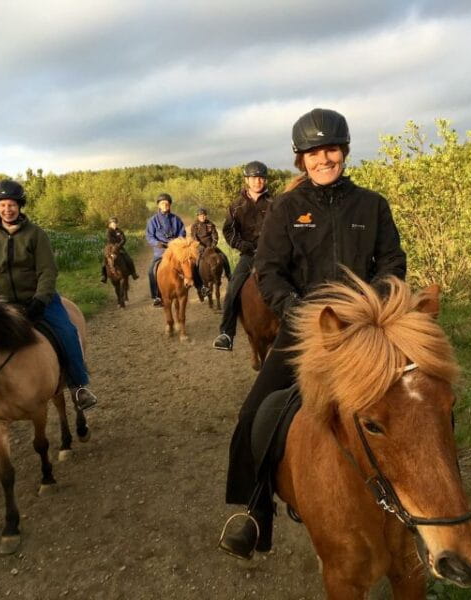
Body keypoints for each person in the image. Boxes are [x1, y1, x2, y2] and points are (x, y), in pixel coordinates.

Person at [218, 108, 407, 559]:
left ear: (344, 151)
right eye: (313, 152)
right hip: (305, 331)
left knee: (424, 399)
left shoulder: (373, 205)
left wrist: (372, 306)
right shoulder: (285, 209)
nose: (324, 158)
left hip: (367, 332)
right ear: (300, 159)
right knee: (251, 416)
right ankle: (256, 512)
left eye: (331, 149)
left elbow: (393, 264)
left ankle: (441, 501)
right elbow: (269, 271)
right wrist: (297, 311)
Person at [0, 179, 98, 411]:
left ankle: (79, 387)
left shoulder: (35, 234)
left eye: (11, 205)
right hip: (3, 305)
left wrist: (40, 300)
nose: (7, 209)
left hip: (39, 301)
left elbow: (47, 270)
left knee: (68, 332)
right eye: (2, 205)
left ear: (20, 206)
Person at [212, 161, 272, 351]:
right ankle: (226, 333)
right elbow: (229, 232)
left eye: (261, 178)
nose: (258, 181)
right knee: (233, 289)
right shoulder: (236, 206)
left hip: (271, 254)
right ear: (247, 180)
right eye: (254, 178)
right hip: (248, 255)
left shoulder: (275, 203)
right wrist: (241, 245)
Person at [145, 193, 186, 307]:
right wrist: (158, 243)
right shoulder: (152, 221)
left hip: (175, 250)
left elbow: (182, 232)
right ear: (158, 205)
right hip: (161, 252)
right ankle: (156, 297)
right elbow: (149, 236)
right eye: (162, 203)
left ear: (170, 205)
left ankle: (198, 285)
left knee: (189, 264)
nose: (165, 205)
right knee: (151, 271)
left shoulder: (176, 219)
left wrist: (177, 241)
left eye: (167, 203)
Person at [190, 207, 231, 298]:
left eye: (204, 215)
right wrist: (200, 246)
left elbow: (215, 236)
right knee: (195, 263)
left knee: (223, 257)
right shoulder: (195, 226)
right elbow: (194, 238)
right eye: (201, 216)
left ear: (206, 216)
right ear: (198, 216)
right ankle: (198, 284)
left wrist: (213, 245)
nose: (203, 217)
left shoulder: (211, 224)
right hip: (200, 247)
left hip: (211, 246)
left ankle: (229, 275)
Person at [101, 216, 139, 282]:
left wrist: (119, 246)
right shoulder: (108, 231)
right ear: (110, 224)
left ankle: (133, 273)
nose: (115, 224)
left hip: (120, 248)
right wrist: (115, 246)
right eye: (113, 223)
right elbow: (110, 240)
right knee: (104, 261)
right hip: (110, 249)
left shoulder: (119, 231)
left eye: (116, 223)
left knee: (129, 259)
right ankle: (104, 276)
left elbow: (123, 239)